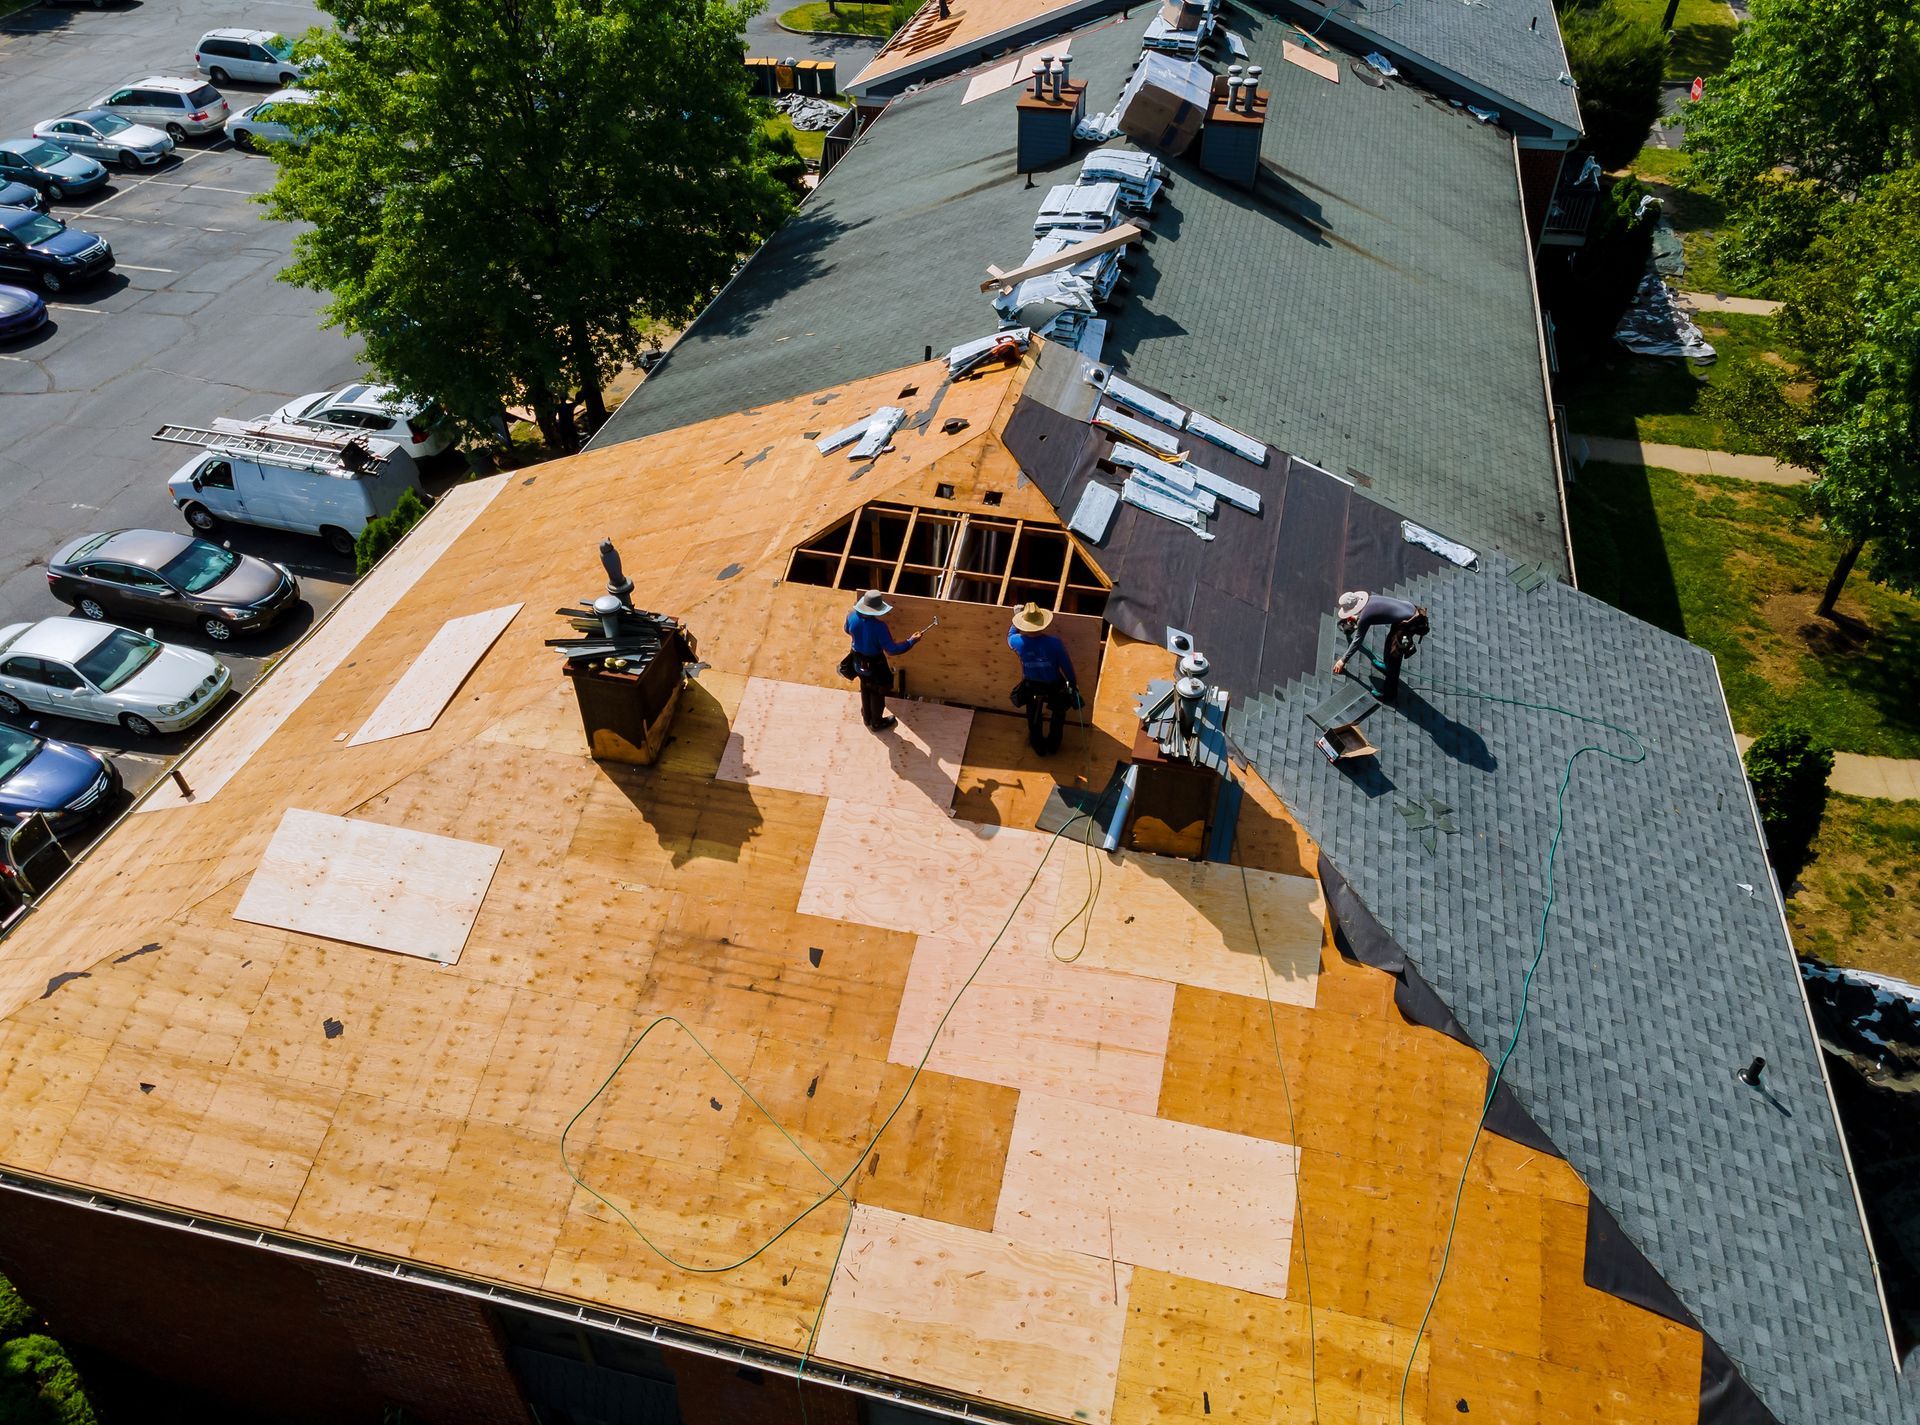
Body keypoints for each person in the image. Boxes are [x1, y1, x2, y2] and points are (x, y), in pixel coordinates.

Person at [1332, 590, 1429, 700]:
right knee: (1389, 642)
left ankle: (1389, 694)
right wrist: (1358, 618)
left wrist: (1343, 660)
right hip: (1410, 611)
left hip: (1411, 622)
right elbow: (1371, 612)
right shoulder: (1371, 599)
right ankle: (1387, 667)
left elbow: (1357, 640)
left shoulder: (1365, 617)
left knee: (1394, 656)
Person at [1007, 602, 1078, 754]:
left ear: (1024, 624)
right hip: (1054, 684)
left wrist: (1015, 618)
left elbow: (1010, 636)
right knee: (1058, 714)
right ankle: (1053, 746)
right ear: (1042, 624)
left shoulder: (1018, 642)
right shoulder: (1054, 643)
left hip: (1032, 685)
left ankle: (1038, 747)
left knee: (1033, 716)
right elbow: (1066, 665)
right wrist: (1072, 683)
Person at [844, 590, 920, 731]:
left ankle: (867, 718)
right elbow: (892, 650)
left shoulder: (851, 616)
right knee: (877, 691)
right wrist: (911, 642)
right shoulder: (879, 627)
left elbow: (847, 630)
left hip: (856, 659)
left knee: (865, 686)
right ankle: (877, 722)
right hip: (875, 664)